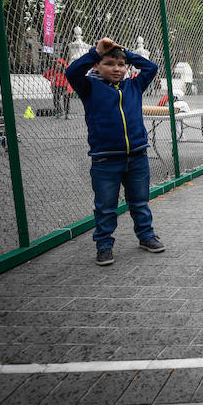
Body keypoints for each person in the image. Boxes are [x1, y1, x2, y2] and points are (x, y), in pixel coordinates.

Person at [65, 38, 164, 266]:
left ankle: (146, 236)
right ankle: (104, 245)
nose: (117, 69)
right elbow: (71, 72)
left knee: (139, 202)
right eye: (109, 63)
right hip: (105, 161)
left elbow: (152, 67)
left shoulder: (134, 86)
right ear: (97, 66)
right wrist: (97, 51)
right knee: (106, 207)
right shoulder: (89, 87)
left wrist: (125, 53)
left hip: (137, 156)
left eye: (121, 65)